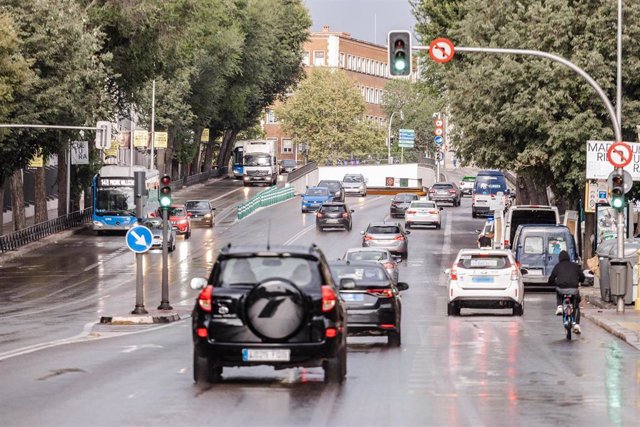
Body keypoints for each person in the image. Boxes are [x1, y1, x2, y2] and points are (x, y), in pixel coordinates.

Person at [548, 250, 585, 334]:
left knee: (558, 291)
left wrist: (554, 283)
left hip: (561, 289)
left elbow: (551, 279)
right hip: (574, 289)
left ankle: (560, 306)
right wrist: (579, 280)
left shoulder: (558, 266)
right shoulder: (575, 266)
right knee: (576, 306)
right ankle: (576, 324)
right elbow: (582, 277)